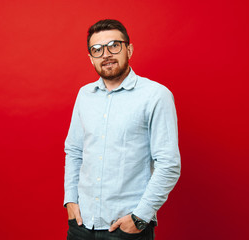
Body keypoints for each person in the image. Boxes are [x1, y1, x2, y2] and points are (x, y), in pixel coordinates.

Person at [64, 19, 181, 240]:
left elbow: (168, 163)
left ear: (129, 49)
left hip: (126, 228)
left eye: (114, 45)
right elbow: (74, 151)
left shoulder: (156, 95)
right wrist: (71, 200)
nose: (106, 54)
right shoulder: (84, 95)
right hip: (81, 225)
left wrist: (140, 217)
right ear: (91, 58)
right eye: (97, 49)